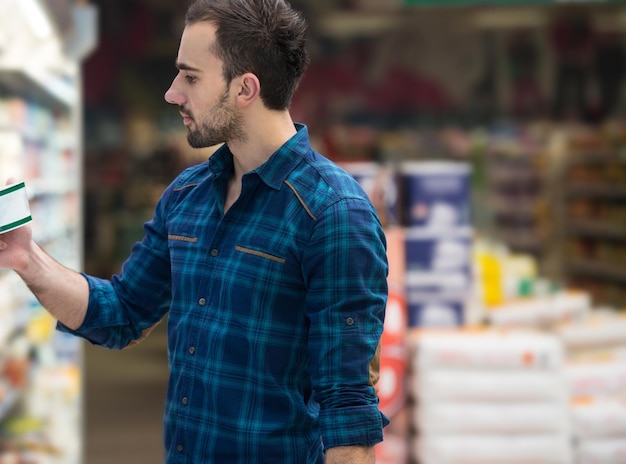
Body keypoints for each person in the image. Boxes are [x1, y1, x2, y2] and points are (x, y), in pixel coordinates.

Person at [0, 0, 389, 462]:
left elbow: (348, 414)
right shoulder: (188, 195)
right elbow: (122, 312)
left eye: (190, 77)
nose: (171, 93)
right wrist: (25, 257)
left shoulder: (333, 214)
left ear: (245, 88)